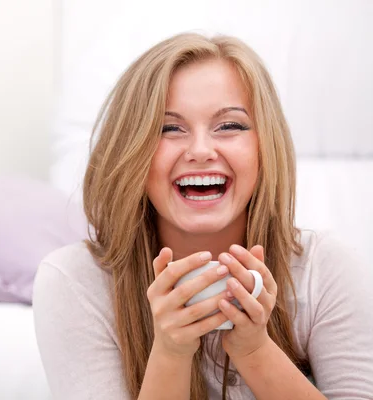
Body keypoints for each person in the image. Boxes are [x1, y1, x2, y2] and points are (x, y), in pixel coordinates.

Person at [32, 32, 373, 399]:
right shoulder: (74, 283)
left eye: (229, 126)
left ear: (265, 148)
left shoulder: (326, 268)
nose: (200, 150)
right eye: (169, 128)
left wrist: (254, 351)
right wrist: (171, 353)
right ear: (130, 151)